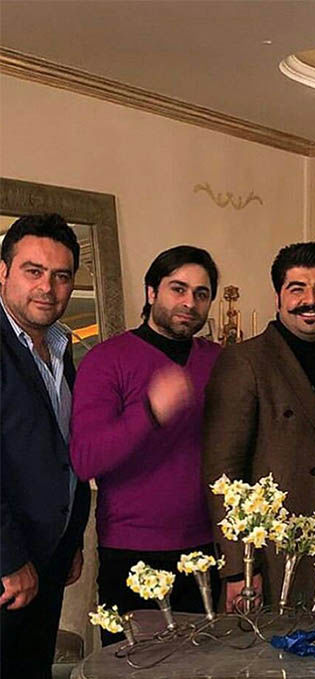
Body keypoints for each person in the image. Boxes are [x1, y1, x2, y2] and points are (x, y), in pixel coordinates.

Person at [204, 242, 315, 610]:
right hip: (278, 555)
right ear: (278, 296)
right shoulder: (245, 361)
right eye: (297, 289)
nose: (310, 300)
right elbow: (223, 473)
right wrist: (238, 570)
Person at [70, 246, 221, 640]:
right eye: (178, 289)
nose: (189, 302)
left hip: (208, 548)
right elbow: (86, 459)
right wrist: (150, 412)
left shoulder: (221, 360)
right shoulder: (106, 360)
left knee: (205, 672)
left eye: (201, 294)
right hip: (131, 551)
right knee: (131, 670)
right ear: (152, 292)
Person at [0, 213, 91, 679]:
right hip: (8, 563)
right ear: (2, 271)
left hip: (49, 556)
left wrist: (71, 538)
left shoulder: (61, 348)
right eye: (33, 271)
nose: (48, 287)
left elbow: (64, 452)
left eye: (60, 276)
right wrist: (8, 558)